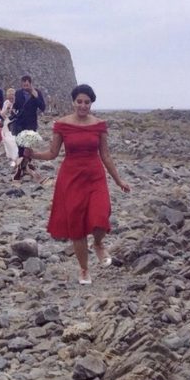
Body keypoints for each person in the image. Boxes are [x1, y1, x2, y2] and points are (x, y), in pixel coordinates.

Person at [26, 83, 130, 286]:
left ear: (91, 103)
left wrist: (119, 180)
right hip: (71, 177)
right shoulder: (62, 124)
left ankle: (98, 243)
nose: (83, 106)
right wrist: (34, 154)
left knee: (101, 214)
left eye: (87, 102)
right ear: (73, 102)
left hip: (95, 175)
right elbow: (53, 153)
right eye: (79, 102)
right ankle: (84, 269)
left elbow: (106, 155)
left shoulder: (99, 125)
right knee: (77, 225)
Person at [11, 74, 47, 179]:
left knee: (28, 147)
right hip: (19, 123)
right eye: (24, 85)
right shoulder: (18, 93)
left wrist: (35, 96)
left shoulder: (37, 92)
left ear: (30, 84)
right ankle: (22, 168)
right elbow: (15, 106)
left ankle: (25, 167)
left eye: (27, 85)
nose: (25, 87)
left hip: (31, 123)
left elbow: (42, 107)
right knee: (20, 147)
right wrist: (13, 111)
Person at [0, 87, 19, 166]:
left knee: (13, 141)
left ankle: (15, 158)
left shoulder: (17, 102)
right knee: (7, 141)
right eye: (9, 96)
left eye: (12, 96)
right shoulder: (6, 103)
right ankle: (10, 157)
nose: (11, 98)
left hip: (15, 123)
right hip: (7, 123)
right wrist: (7, 110)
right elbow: (2, 113)